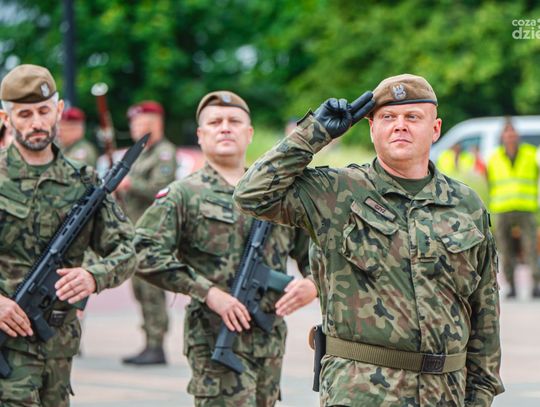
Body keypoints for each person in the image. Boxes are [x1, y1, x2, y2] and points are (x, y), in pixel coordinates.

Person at [234, 74, 504, 406]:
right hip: (361, 392)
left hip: (446, 394)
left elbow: (485, 310)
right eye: (388, 117)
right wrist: (315, 132)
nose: (400, 125)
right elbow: (251, 195)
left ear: (435, 129)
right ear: (372, 128)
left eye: (413, 117)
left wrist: (479, 396)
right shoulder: (337, 192)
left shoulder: (465, 204)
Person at [134, 90, 317, 406]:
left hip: (269, 342)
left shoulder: (278, 194)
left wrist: (313, 284)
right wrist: (207, 292)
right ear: (200, 135)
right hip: (214, 341)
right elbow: (142, 251)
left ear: (249, 133)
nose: (225, 128)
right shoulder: (183, 195)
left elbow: (313, 253)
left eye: (234, 121)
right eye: (215, 122)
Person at [0, 64, 136, 406]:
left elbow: (127, 248)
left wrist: (94, 276)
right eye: (25, 114)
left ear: (58, 110)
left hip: (58, 348)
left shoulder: (85, 182)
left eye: (44, 111)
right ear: (5, 118)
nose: (36, 122)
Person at [118, 100, 178, 365]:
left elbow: (161, 189)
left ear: (155, 124)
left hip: (154, 233)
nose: (135, 129)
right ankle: (149, 341)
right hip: (135, 230)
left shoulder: (164, 153)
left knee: (151, 289)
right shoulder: (141, 153)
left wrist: (130, 183)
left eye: (140, 124)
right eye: (134, 124)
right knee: (140, 289)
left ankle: (156, 344)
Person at [487, 118, 540, 298]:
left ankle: (536, 284)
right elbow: (489, 183)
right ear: (502, 137)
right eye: (507, 133)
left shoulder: (531, 154)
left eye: (512, 133)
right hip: (502, 209)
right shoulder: (494, 158)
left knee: (530, 247)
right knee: (505, 249)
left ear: (517, 136)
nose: (510, 137)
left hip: (526, 207)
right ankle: (512, 287)